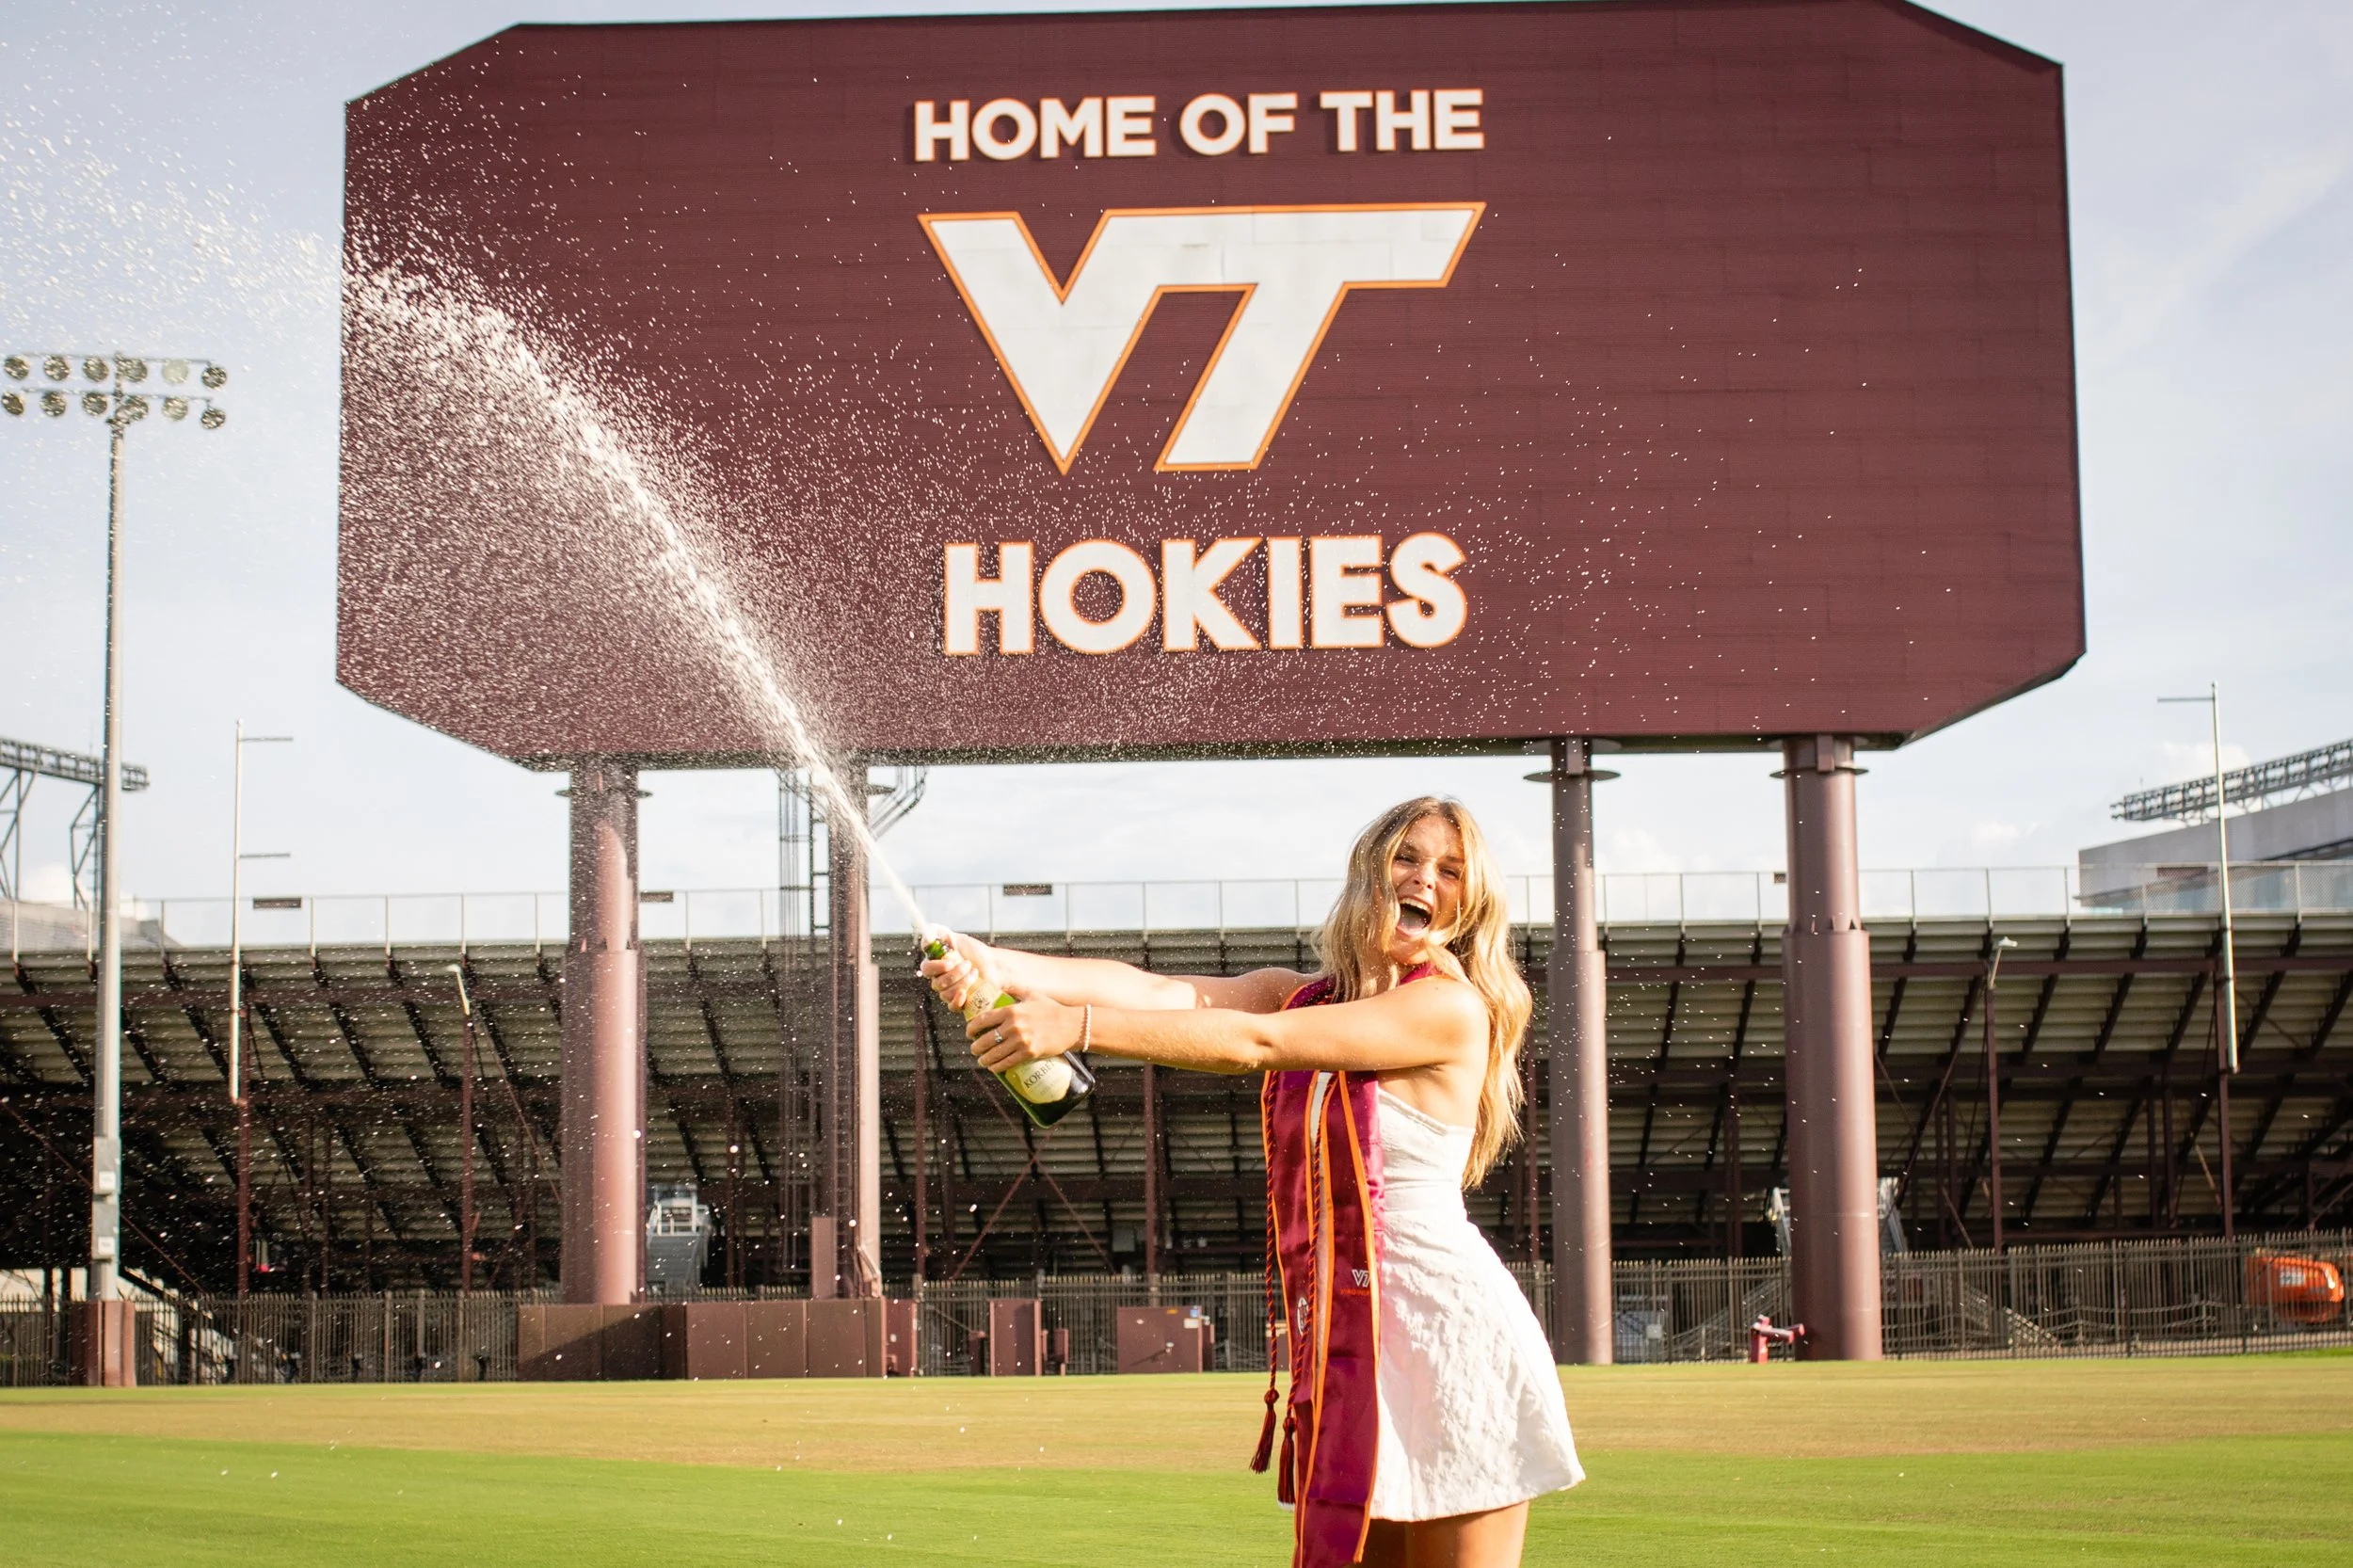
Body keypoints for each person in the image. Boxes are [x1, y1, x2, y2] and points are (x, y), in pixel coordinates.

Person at [922, 796, 1582, 1568]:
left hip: (1448, 1340)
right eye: (1408, 857)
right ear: (1369, 870)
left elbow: (1258, 1044)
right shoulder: (1304, 993)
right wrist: (993, 963)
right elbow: (1158, 990)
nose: (1425, 880)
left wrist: (1079, 1029)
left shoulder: (1446, 1006)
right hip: (1353, 1341)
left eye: (1450, 870)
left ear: (1471, 902)